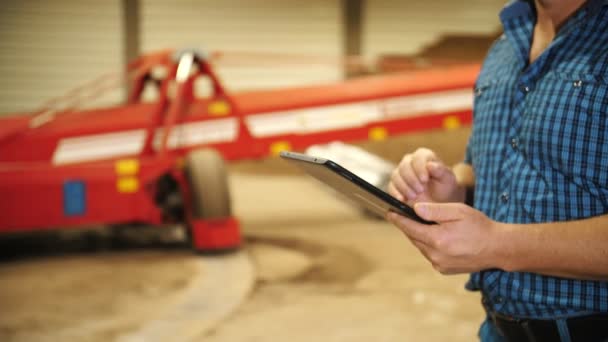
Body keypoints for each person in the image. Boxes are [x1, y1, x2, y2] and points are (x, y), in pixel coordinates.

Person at [386, 0, 608, 341]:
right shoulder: (505, 47)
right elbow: (486, 168)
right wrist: (449, 187)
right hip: (498, 329)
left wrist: (497, 245)